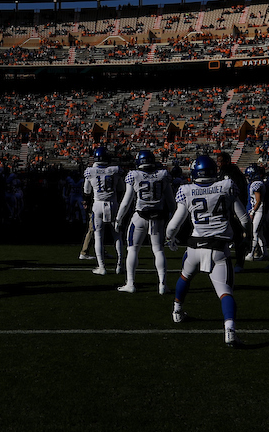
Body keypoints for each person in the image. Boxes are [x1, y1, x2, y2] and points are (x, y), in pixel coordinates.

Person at [166, 155, 250, 347]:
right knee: (225, 293)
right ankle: (229, 331)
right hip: (219, 250)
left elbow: (173, 226)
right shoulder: (227, 185)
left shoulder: (186, 190)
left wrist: (170, 238)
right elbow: (244, 219)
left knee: (184, 277)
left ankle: (177, 311)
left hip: (194, 248)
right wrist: (250, 236)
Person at [115, 150, 174, 294]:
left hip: (139, 218)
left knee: (133, 249)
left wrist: (118, 218)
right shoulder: (163, 174)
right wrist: (173, 220)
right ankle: (162, 284)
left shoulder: (134, 175)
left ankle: (130, 283)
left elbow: (126, 202)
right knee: (158, 250)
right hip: (158, 219)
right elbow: (171, 202)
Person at [84, 147, 122, 276]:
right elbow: (121, 188)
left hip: (98, 205)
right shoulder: (115, 170)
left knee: (98, 236)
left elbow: (87, 191)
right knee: (117, 235)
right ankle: (120, 265)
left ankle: (102, 267)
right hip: (113, 204)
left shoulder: (90, 171)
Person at [243, 164, 268, 261]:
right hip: (258, 210)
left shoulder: (257, 184)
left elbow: (258, 200)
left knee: (254, 232)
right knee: (260, 234)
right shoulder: (256, 183)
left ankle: (251, 253)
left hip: (258, 210)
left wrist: (253, 212)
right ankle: (265, 253)